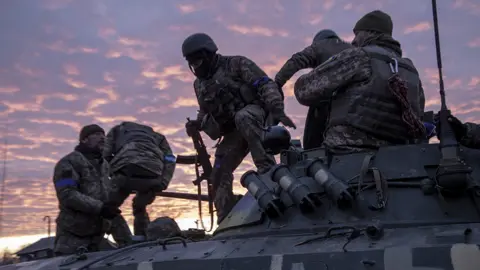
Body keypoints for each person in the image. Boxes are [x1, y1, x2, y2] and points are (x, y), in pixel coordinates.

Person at [181, 32, 296, 223]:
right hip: (234, 131)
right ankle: (226, 219)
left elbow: (265, 84)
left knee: (244, 117)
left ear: (209, 55)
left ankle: (268, 173)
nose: (196, 67)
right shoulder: (199, 85)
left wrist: (277, 109)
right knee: (219, 170)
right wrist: (197, 124)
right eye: (192, 64)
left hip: (256, 118)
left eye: (199, 61)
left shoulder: (236, 64)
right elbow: (204, 111)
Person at [293, 10, 426, 154]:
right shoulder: (411, 71)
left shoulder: (359, 57)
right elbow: (419, 114)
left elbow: (304, 91)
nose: (353, 41)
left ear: (370, 32)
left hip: (346, 153)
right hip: (398, 156)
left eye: (357, 34)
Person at [275, 29, 353, 149]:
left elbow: (297, 60)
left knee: (312, 144)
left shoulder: (319, 46)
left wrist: (278, 82)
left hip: (325, 103)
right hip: (354, 103)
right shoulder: (353, 48)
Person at [52, 124, 123, 255]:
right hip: (73, 238)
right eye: (96, 134)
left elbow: (107, 193)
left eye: (103, 135)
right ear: (84, 139)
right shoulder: (68, 163)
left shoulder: (105, 165)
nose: (102, 138)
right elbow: (67, 194)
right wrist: (100, 208)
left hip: (98, 238)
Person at [103, 121, 176, 237]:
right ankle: (143, 237)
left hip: (126, 170)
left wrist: (107, 176)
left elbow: (104, 155)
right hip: (153, 174)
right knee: (139, 206)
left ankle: (125, 240)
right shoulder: (157, 136)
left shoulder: (117, 130)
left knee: (109, 207)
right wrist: (164, 181)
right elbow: (170, 158)